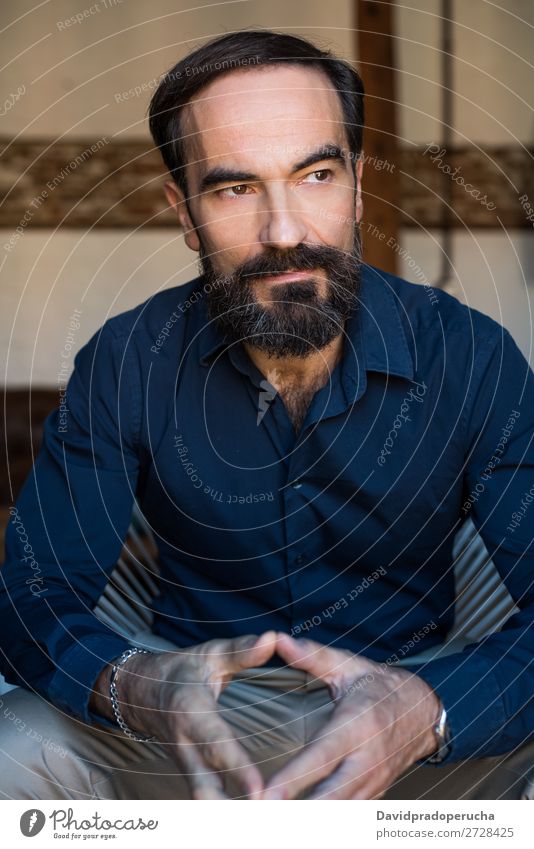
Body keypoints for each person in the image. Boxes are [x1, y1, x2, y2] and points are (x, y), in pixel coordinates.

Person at [0, 30, 533, 801]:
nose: (284, 232)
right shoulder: (129, 360)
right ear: (184, 212)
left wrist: (431, 709)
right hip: (187, 724)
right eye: (235, 188)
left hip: (424, 720)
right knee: (13, 748)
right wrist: (138, 685)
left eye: (314, 174)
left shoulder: (471, 355)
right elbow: (30, 590)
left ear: (355, 186)